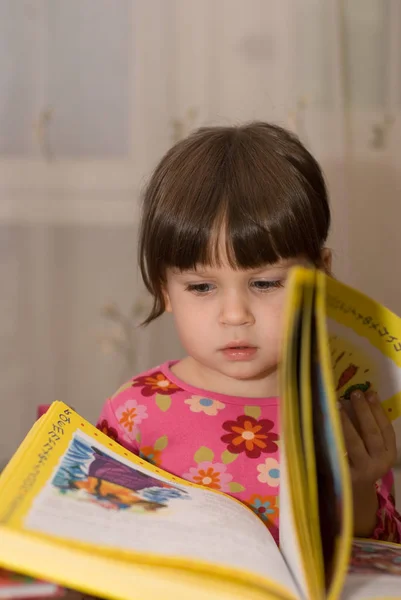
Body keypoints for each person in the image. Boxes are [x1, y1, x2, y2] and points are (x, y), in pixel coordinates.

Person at [97, 122, 401, 545]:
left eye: (266, 283)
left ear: (322, 278)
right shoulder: (134, 413)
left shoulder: (343, 413)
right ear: (164, 289)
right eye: (202, 287)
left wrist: (360, 489)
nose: (235, 315)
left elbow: (380, 557)